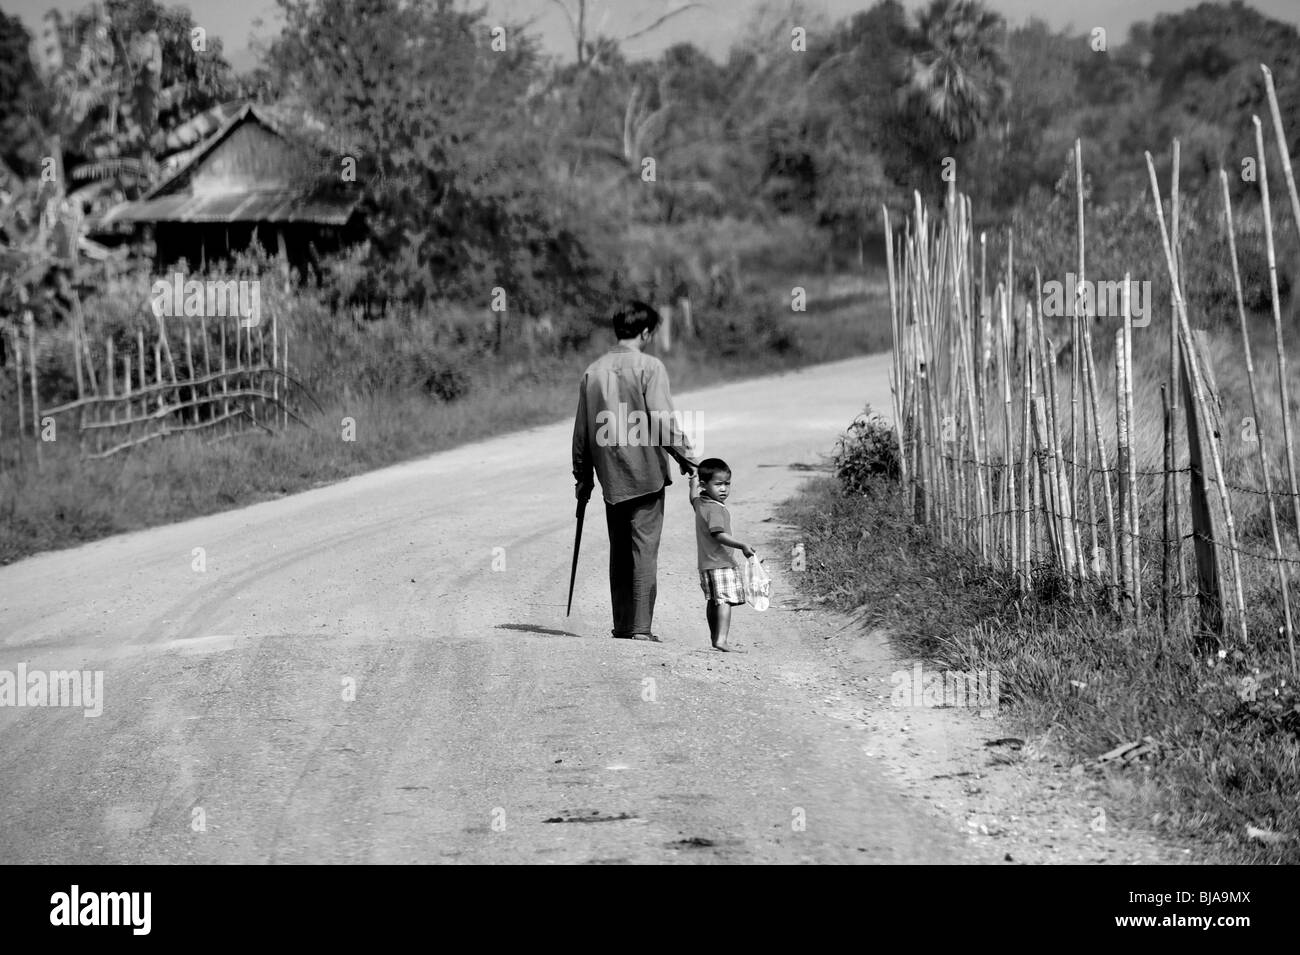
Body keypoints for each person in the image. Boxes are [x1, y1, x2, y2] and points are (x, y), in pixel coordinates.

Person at [572, 301, 699, 642]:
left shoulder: (593, 370)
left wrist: (582, 476)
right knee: (643, 550)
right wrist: (687, 457)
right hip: (645, 473)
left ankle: (623, 626)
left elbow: (583, 430)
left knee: (620, 550)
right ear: (645, 333)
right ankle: (641, 628)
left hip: (610, 477)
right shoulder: (649, 367)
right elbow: (660, 420)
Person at [689, 458, 754, 652]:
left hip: (706, 564)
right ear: (705, 484)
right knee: (725, 600)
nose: (723, 489)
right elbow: (718, 535)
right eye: (718, 484)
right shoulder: (715, 509)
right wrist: (742, 545)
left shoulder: (700, 503)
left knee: (713, 601)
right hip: (721, 563)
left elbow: (692, 497)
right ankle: (722, 640)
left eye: (727, 484)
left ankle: (714, 638)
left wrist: (692, 480)